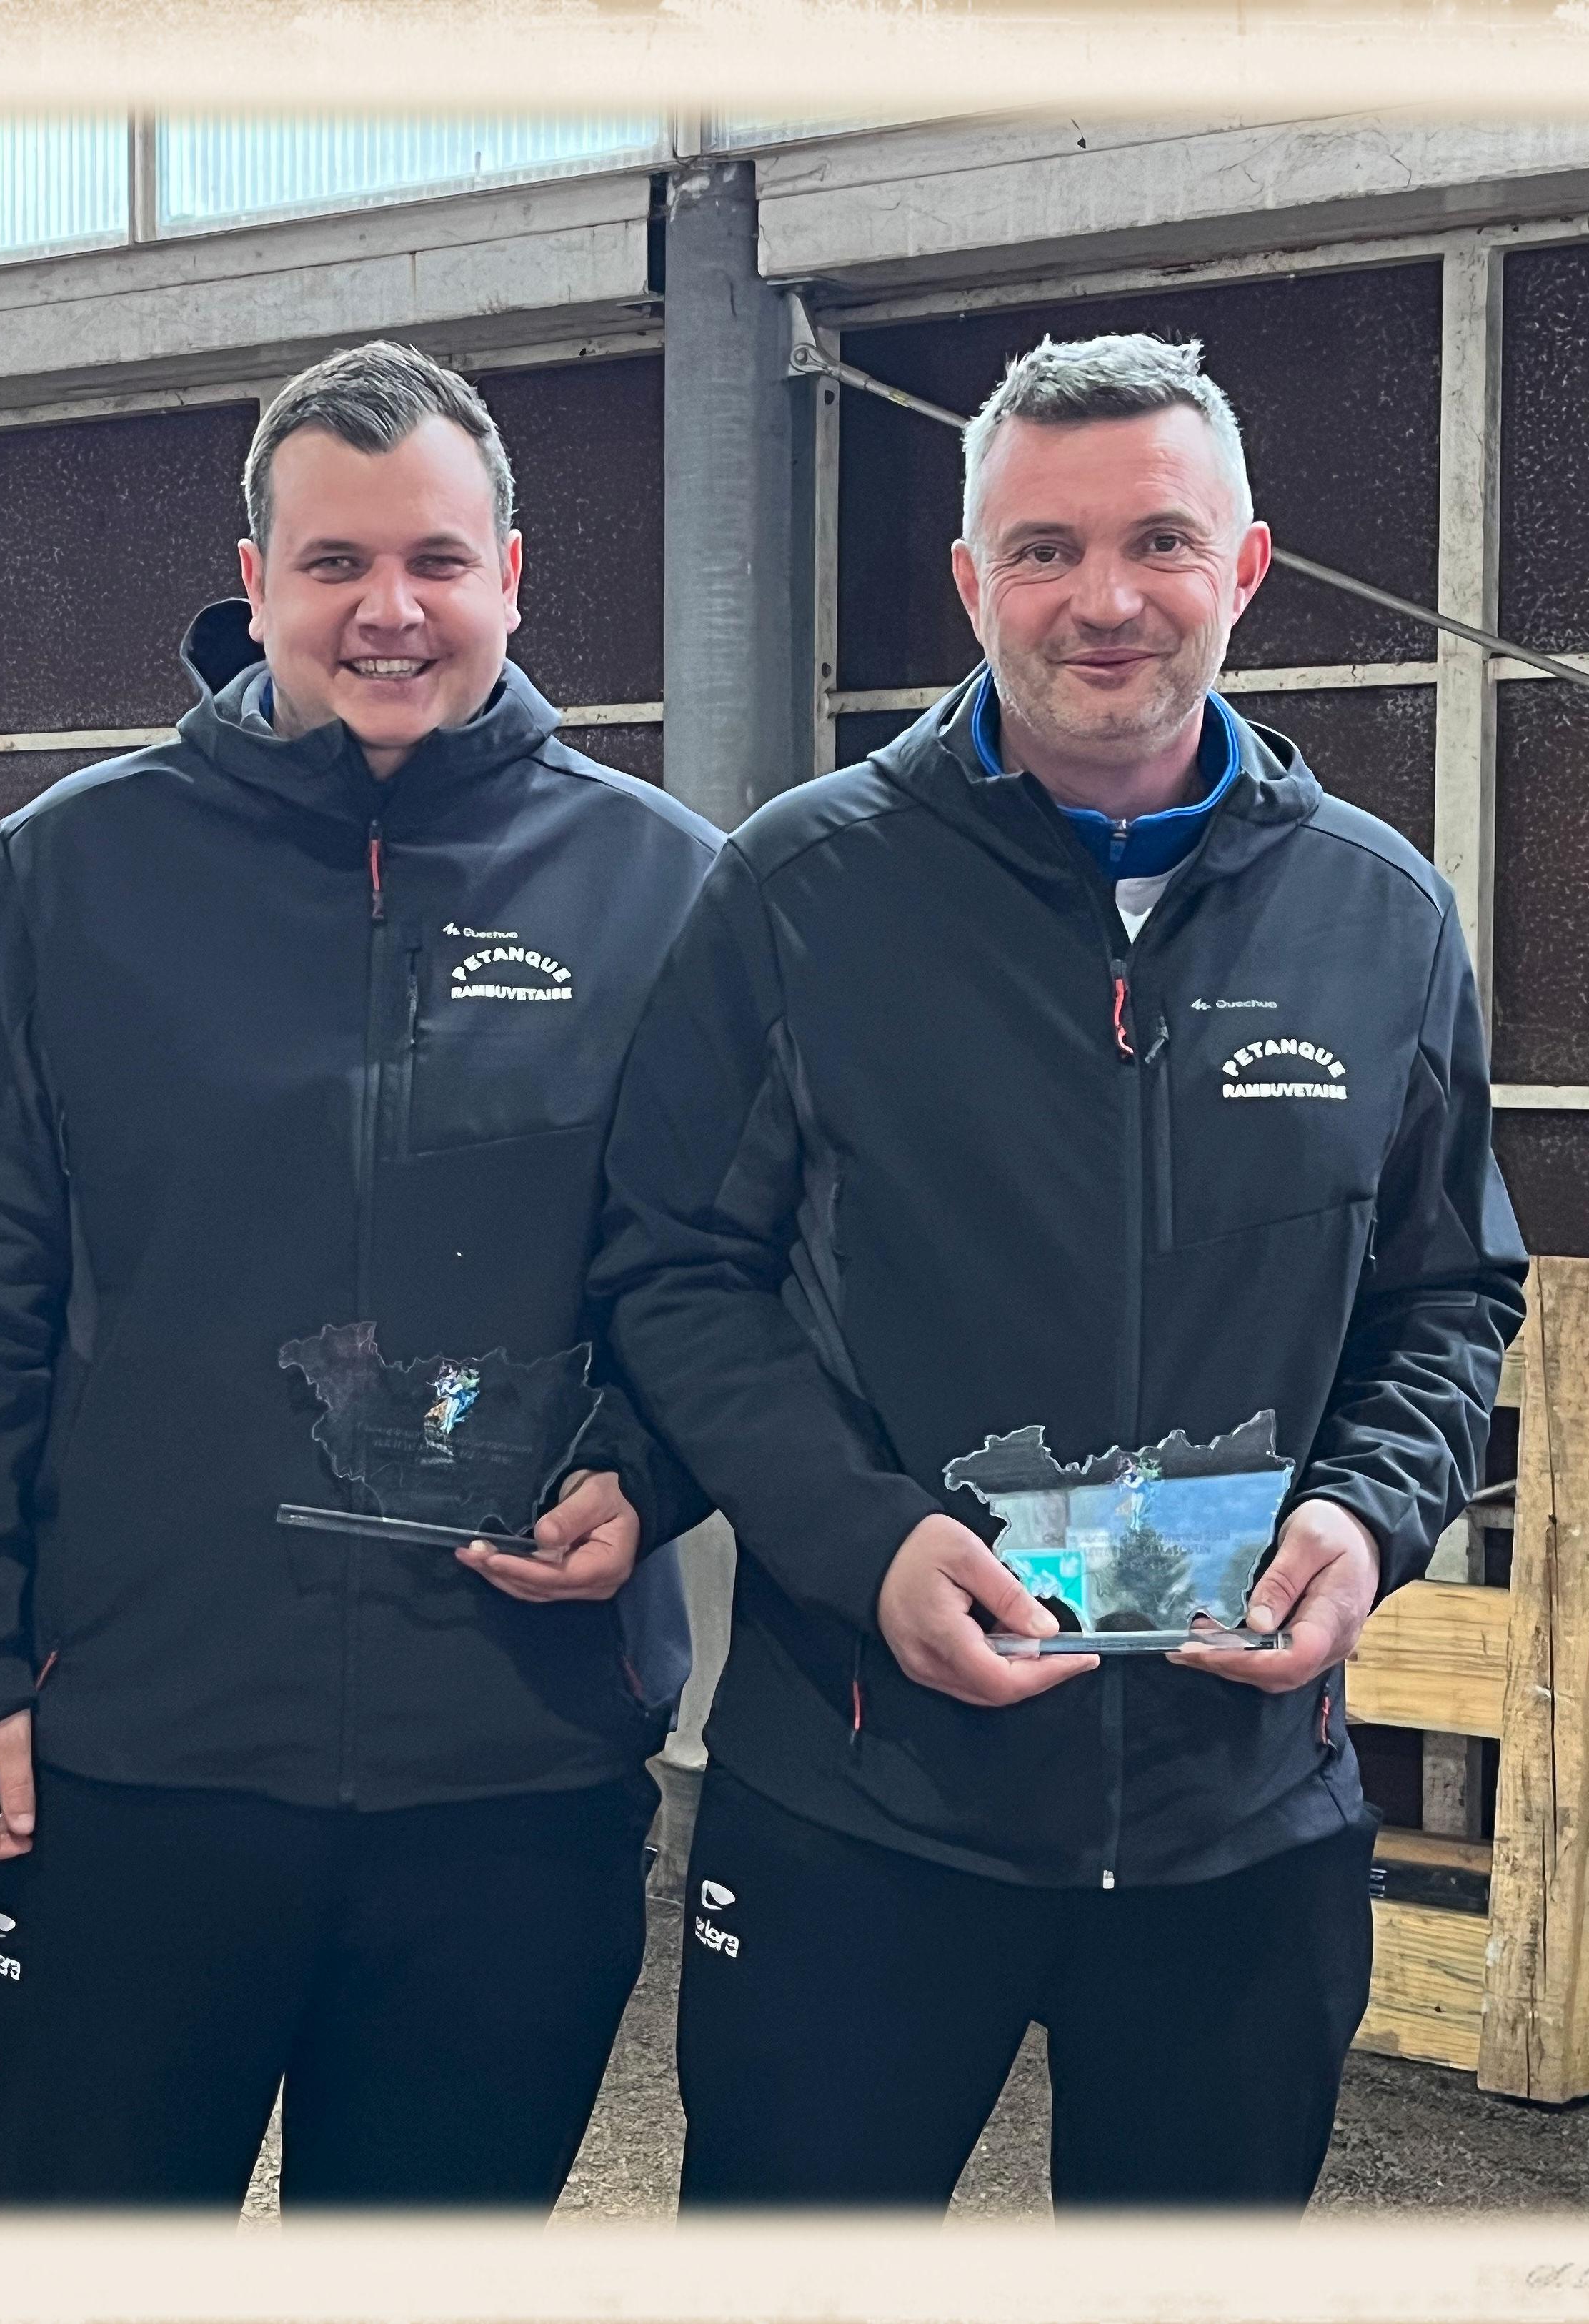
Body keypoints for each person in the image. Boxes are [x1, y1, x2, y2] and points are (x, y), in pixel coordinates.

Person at [593, 334, 1527, 2210]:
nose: (1102, 600)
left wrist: (1359, 1519)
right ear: (968, 581)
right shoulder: (800, 892)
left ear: (1241, 567)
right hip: (864, 1788)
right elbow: (675, 1271)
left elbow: (1444, 1300)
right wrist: (863, 1544)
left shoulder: (1378, 913)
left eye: (1157, 541)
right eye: (1041, 548)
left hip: (1240, 1805)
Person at [0, 340, 720, 2210]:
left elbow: (728, 1275)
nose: (387, 608)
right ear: (250, 583)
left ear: (513, 566)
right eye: (332, 563)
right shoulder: (64, 878)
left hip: (511, 1770)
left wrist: (654, 1468)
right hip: (140, 1766)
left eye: (434, 557)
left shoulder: (668, 894)